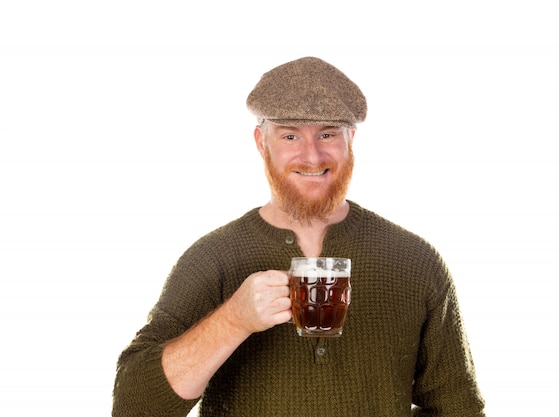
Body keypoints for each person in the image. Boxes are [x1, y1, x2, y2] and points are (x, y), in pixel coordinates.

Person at [112, 56, 486, 417]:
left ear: (350, 139)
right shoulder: (214, 259)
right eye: (290, 135)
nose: (311, 156)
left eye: (327, 134)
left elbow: (459, 408)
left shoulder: (414, 261)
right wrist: (232, 321)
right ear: (261, 142)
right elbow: (134, 406)